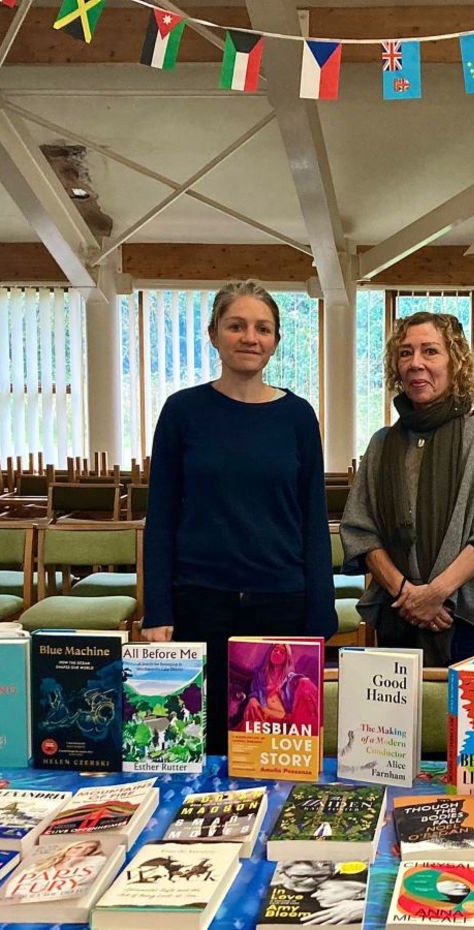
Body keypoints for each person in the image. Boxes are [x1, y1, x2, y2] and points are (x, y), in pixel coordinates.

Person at [142, 281, 336, 755]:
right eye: (237, 325)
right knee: (202, 746)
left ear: (275, 341)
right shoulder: (182, 411)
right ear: (213, 334)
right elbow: (160, 516)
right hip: (199, 602)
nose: (250, 337)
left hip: (281, 603)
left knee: (275, 750)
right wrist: (158, 608)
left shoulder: (297, 416)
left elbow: (314, 519)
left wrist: (320, 613)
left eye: (262, 328)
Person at [340, 312, 474, 666]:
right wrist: (407, 593)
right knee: (398, 721)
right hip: (398, 616)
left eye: (430, 351)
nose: (416, 363)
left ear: (455, 361)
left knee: (473, 721)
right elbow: (361, 531)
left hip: (472, 618)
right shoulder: (382, 444)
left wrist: (436, 594)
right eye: (405, 353)